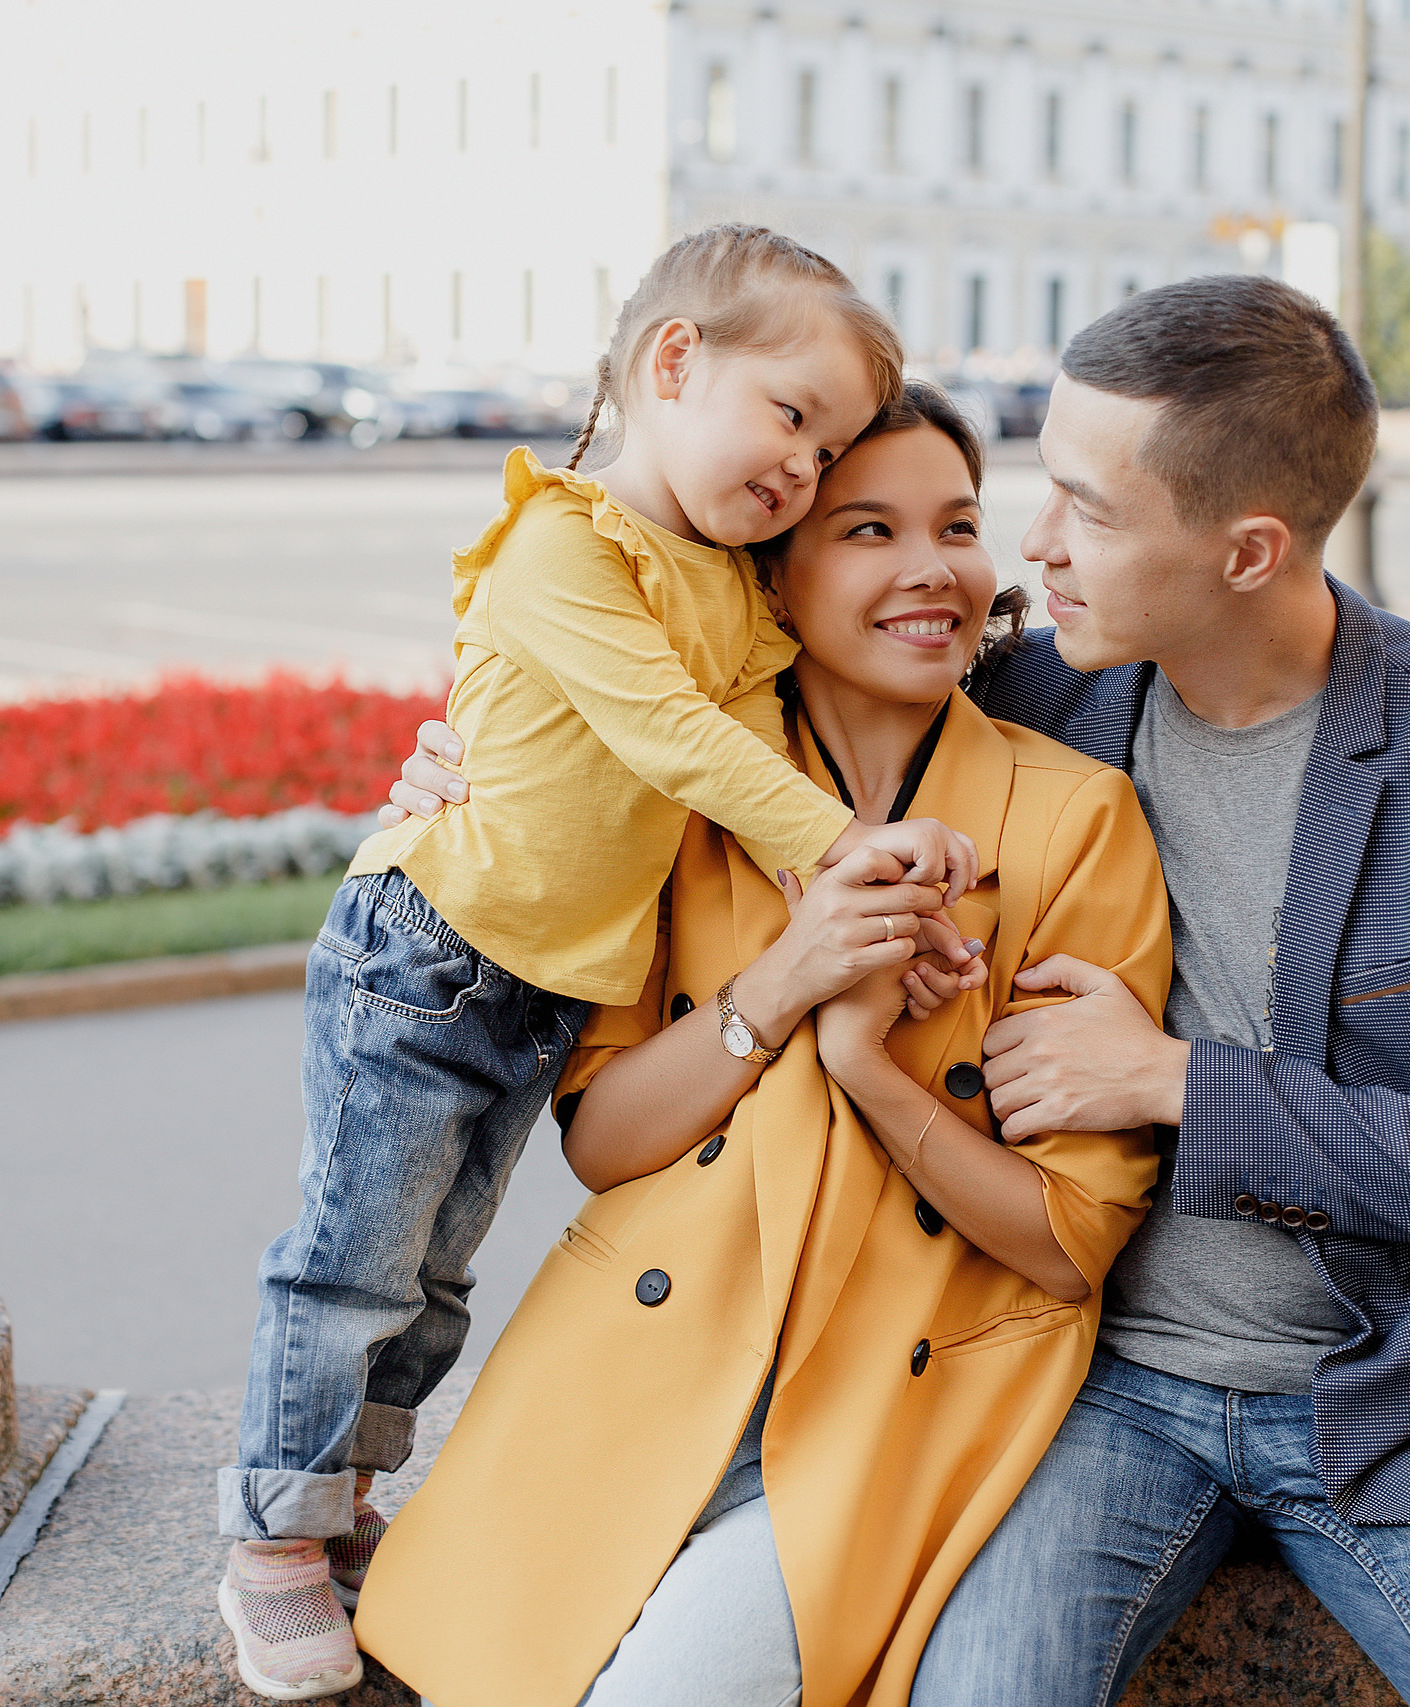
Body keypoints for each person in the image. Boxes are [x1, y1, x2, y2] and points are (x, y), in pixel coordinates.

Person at [387, 273, 1410, 1706]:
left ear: (1247, 550)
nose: (1026, 555)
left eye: (1088, 512)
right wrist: (475, 772)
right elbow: (798, 624)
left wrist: (1177, 1081)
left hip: (1406, 1401)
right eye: (1038, 493)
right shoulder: (1038, 690)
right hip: (1100, 1392)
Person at [214, 226, 985, 1702]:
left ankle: (343, 1502)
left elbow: (762, 772)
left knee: (433, 1276)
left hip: (541, 979)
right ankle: (271, 1534)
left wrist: (902, 908)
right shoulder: (563, 543)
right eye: (792, 417)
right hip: (430, 947)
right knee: (349, 1259)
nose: (804, 471)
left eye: (826, 452)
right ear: (674, 362)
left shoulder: (731, 593)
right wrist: (853, 852)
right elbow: (677, 742)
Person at [352, 384, 1174, 1707]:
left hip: (892, 1408)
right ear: (772, 582)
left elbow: (1070, 1238)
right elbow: (610, 1142)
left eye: (958, 524)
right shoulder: (675, 792)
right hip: (641, 1373)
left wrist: (866, 1066)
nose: (932, 567)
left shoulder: (1074, 817)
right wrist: (786, 982)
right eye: (866, 529)